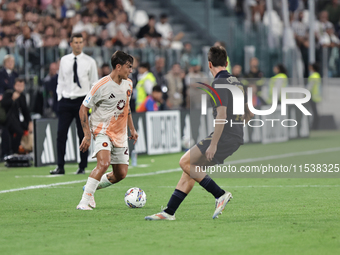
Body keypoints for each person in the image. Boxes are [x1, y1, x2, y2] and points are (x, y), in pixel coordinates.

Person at [145, 46, 254, 220]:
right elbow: (250, 113)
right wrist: (237, 128)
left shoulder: (219, 83)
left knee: (184, 162)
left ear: (209, 64)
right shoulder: (236, 82)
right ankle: (169, 212)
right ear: (226, 63)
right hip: (235, 135)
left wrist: (214, 143)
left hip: (224, 136)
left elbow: (222, 114)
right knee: (191, 169)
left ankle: (220, 194)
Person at [76, 50, 138, 210]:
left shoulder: (129, 84)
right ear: (118, 66)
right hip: (102, 131)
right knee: (103, 163)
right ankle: (83, 202)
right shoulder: (100, 86)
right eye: (128, 67)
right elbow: (83, 108)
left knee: (121, 174)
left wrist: (132, 128)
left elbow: (127, 107)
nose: (131, 70)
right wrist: (87, 135)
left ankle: (90, 188)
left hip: (120, 134)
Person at [50, 33, 98, 175]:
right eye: (75, 42)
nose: (78, 44)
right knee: (61, 134)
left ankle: (82, 166)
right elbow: (61, 80)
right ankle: (60, 166)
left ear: (83, 43)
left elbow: (94, 83)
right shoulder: (64, 60)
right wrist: (59, 97)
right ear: (71, 44)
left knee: (82, 135)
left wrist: (90, 104)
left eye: (80, 42)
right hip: (65, 100)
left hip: (82, 102)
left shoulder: (90, 61)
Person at [1, 78, 33, 155]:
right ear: (14, 86)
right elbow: (3, 104)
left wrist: (29, 122)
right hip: (6, 121)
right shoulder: (9, 93)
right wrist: (12, 99)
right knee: (17, 132)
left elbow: (25, 111)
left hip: (17, 121)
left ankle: (15, 151)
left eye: (21, 86)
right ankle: (12, 151)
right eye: (18, 85)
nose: (20, 87)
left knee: (21, 130)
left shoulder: (22, 96)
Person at [307, 63, 321, 130]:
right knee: (315, 112)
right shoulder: (317, 75)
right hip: (316, 96)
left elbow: (310, 87)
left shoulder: (313, 76)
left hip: (312, 97)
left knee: (313, 112)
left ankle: (314, 126)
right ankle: (315, 126)